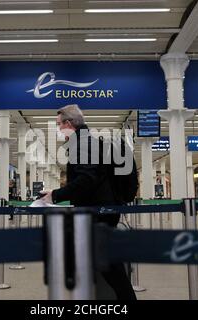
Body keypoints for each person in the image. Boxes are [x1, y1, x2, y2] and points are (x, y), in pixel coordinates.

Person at [41, 104, 137, 300]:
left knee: (110, 267)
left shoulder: (83, 144)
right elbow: (89, 178)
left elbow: (87, 179)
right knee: (102, 264)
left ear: (69, 123)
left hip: (97, 213)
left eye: (59, 124)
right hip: (100, 210)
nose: (59, 129)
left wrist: (56, 195)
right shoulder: (86, 142)